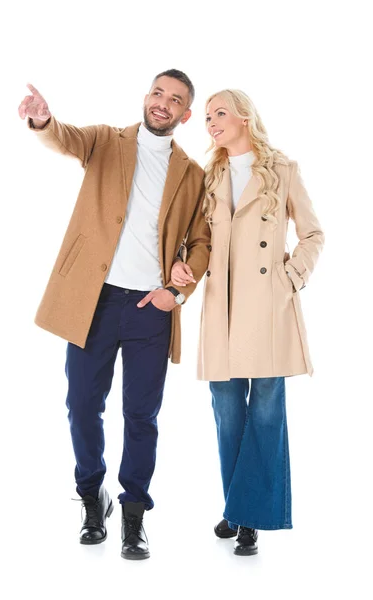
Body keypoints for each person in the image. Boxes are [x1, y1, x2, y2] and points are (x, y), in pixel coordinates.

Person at [18, 70, 210, 560]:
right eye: (157, 93)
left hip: (151, 306)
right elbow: (67, 138)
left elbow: (202, 240)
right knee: (82, 404)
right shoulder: (107, 141)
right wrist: (44, 120)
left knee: (141, 416)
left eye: (175, 100)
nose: (162, 104)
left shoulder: (192, 173)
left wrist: (177, 290)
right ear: (146, 98)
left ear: (185, 115)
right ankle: (90, 496)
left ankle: (134, 515)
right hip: (94, 300)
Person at [171, 89, 324, 556]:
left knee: (265, 409)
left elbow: (314, 234)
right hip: (221, 305)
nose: (211, 121)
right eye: (208, 116)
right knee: (227, 409)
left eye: (220, 112)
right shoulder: (208, 176)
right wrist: (182, 263)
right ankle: (239, 507)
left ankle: (248, 519)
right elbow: (195, 238)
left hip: (267, 306)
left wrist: (289, 277)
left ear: (243, 117)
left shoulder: (282, 169)